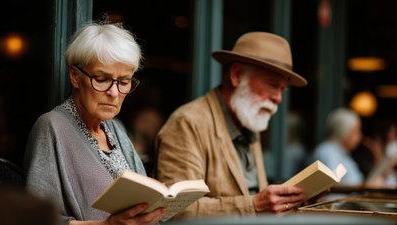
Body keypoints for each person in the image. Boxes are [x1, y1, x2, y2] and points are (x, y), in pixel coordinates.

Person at [23, 22, 166, 225]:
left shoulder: (116, 128)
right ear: (75, 76)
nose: (114, 93)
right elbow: (35, 218)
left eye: (124, 82)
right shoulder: (52, 126)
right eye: (102, 79)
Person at [154, 32, 308, 219]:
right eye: (272, 84)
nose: (278, 98)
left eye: (282, 89)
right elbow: (175, 209)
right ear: (237, 75)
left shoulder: (248, 121)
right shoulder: (187, 123)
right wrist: (253, 206)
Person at [312, 107, 364, 186]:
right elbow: (332, 183)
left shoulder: (342, 153)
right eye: (355, 132)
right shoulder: (328, 151)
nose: (359, 137)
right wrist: (365, 185)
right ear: (343, 131)